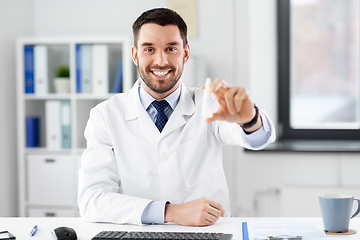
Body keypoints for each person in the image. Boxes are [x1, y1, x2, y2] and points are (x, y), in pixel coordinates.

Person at [78, 8, 276, 227]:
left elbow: (256, 138)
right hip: (141, 233)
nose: (161, 61)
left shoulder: (208, 103)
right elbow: (92, 200)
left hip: (208, 233)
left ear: (186, 53)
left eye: (171, 48)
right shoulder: (105, 116)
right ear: (135, 55)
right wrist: (169, 212)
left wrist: (250, 119)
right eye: (149, 49)